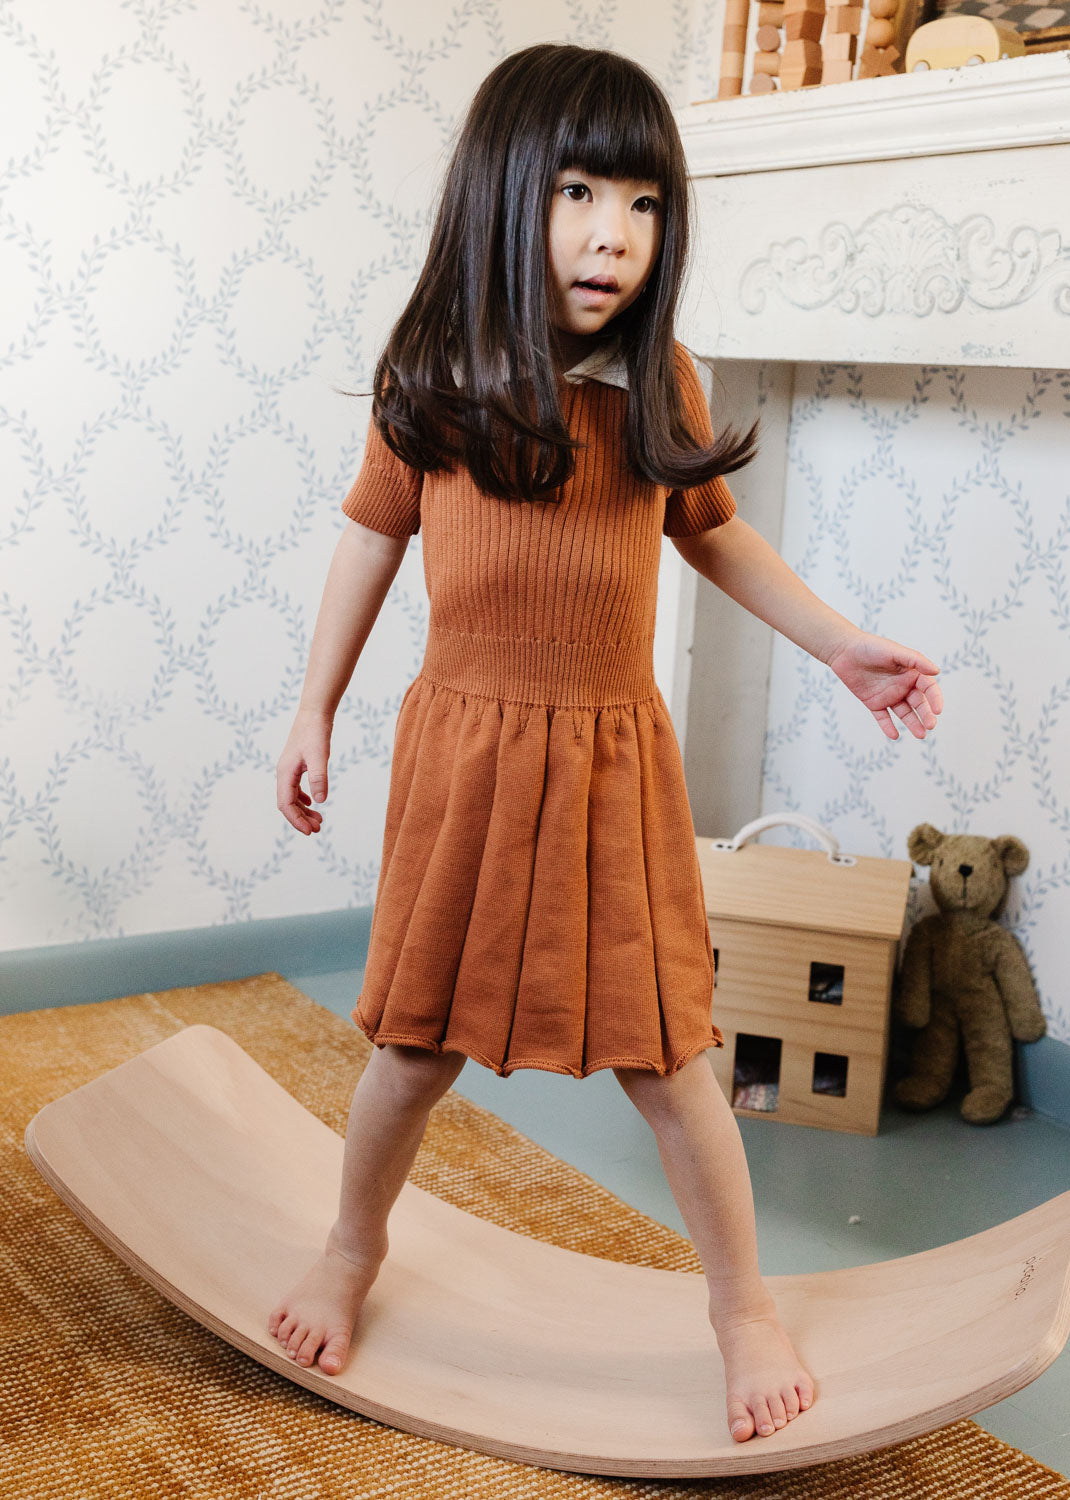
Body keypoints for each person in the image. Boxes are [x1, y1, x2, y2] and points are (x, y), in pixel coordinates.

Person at [267, 42, 943, 1446]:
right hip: (468, 759)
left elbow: (720, 537)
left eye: (640, 203)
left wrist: (840, 645)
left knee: (671, 1053)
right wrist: (313, 706)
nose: (610, 234)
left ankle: (742, 1304)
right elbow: (367, 540)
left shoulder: (658, 382)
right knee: (410, 1046)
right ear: (507, 195)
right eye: (579, 191)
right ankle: (351, 1244)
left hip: (614, 766)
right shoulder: (440, 374)